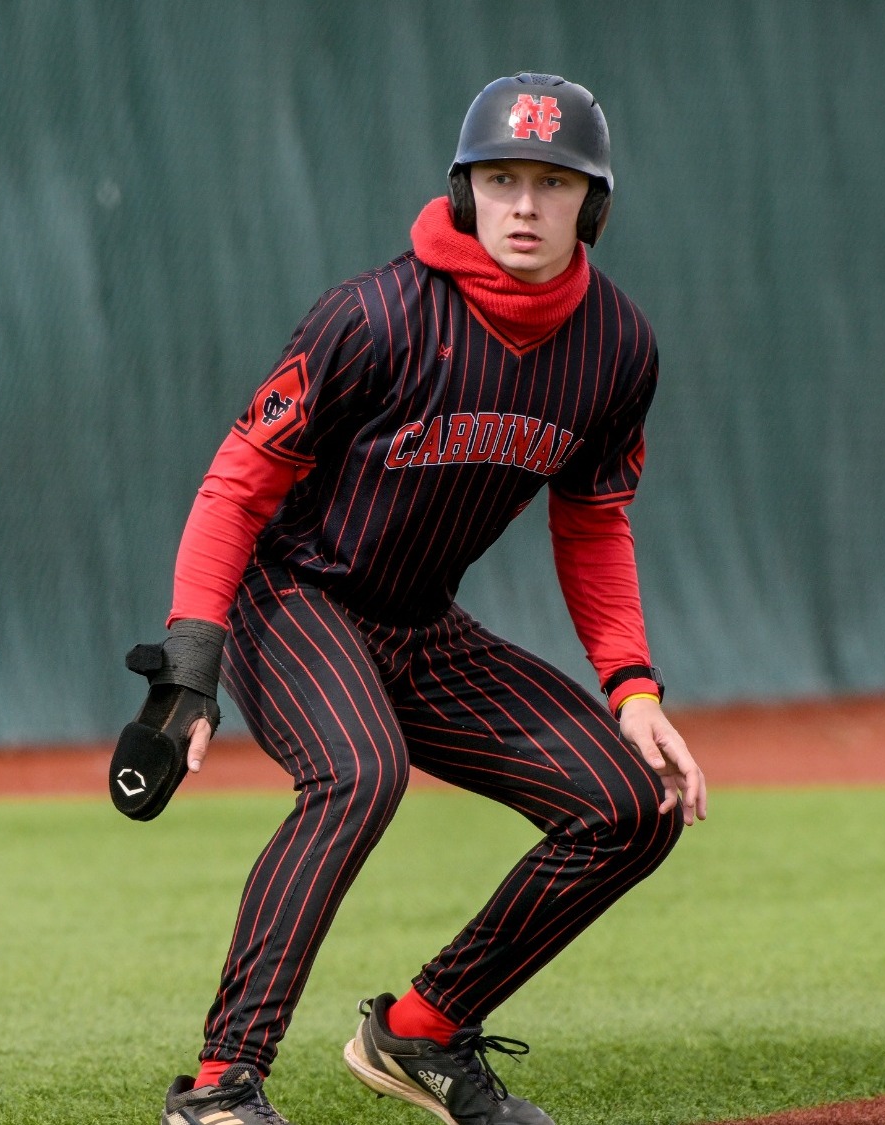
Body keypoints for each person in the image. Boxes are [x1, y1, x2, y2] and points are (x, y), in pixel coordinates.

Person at [146, 73, 707, 1125]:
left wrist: (631, 687)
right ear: (463, 192)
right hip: (294, 594)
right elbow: (235, 484)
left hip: (419, 622)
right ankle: (221, 1088)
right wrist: (190, 661)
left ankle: (420, 1033)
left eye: (553, 181)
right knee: (359, 775)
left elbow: (592, 520)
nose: (526, 206)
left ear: (595, 204)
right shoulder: (372, 317)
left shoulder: (616, 348)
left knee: (627, 809)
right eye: (501, 178)